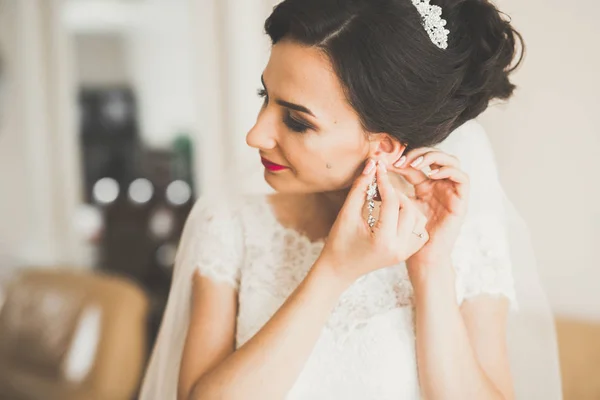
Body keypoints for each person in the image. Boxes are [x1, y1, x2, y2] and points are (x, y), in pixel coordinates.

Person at [140, 0, 561, 399]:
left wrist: (431, 268)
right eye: (263, 96)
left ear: (383, 147)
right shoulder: (230, 224)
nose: (255, 135)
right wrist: (334, 270)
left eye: (296, 121)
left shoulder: (465, 236)